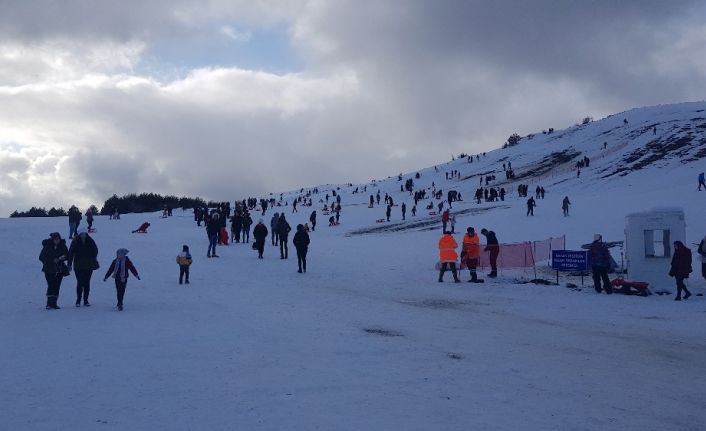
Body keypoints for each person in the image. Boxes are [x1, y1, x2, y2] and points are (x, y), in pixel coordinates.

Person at [67, 228, 99, 307]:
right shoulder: (75, 241)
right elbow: (70, 253)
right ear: (79, 234)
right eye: (82, 234)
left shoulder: (91, 241)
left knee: (87, 283)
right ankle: (78, 300)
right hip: (78, 265)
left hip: (89, 265)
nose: (83, 235)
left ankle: (86, 300)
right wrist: (69, 264)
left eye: (85, 233)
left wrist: (92, 258)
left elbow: (95, 251)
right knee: (80, 282)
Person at [39, 232, 70, 309]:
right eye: (55, 239)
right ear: (52, 239)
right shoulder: (47, 246)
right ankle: (49, 303)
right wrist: (52, 260)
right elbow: (41, 257)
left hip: (60, 269)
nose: (57, 241)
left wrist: (63, 257)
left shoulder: (63, 246)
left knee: (57, 286)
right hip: (49, 269)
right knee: (51, 285)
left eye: (58, 239)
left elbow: (67, 255)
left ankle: (54, 303)